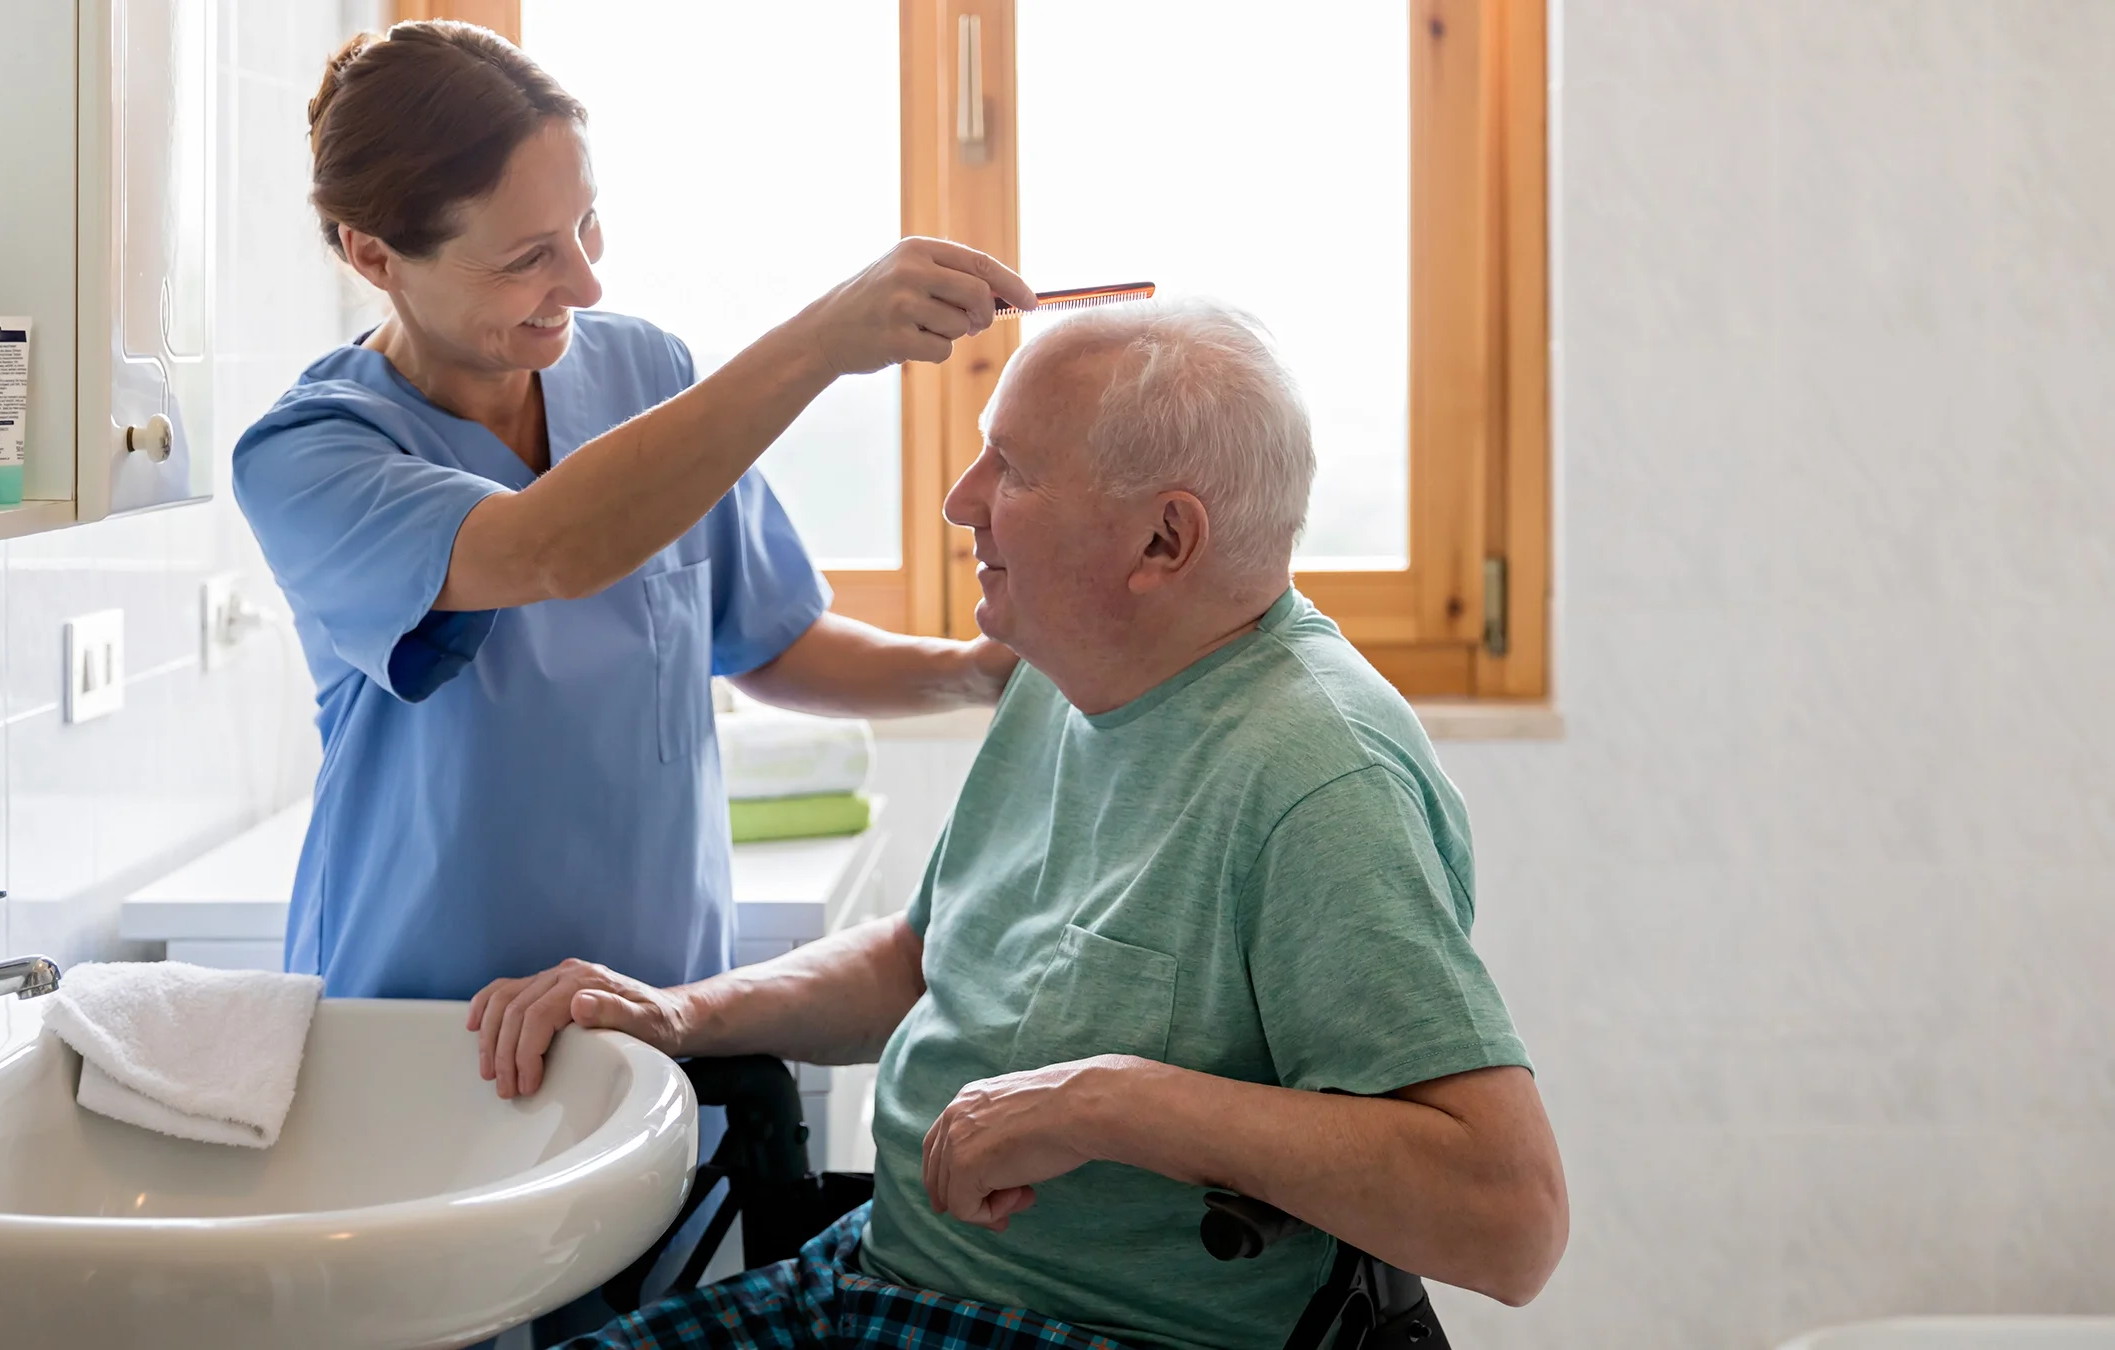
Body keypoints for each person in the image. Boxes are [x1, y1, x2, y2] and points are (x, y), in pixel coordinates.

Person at [485, 300, 1569, 1350]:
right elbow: (925, 957)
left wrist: (1110, 1103)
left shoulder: (1318, 776)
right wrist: (683, 1014)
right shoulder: (1071, 671)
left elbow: (1511, 1223)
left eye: (1014, 469)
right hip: (882, 1279)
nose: (962, 502)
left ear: (1163, 539)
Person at [231, 21, 1034, 1042]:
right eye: (529, 257)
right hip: (425, 1035)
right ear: (374, 255)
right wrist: (825, 340)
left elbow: (770, 643)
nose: (585, 283)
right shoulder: (312, 456)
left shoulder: (647, 377)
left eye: (587, 225)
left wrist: (974, 675)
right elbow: (543, 550)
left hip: (657, 1011)